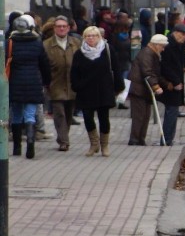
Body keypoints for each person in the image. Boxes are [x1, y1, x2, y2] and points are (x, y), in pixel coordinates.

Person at [70, 26, 124, 157]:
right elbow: (74, 73)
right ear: (84, 38)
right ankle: (94, 144)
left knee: (103, 118)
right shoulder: (79, 53)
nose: (91, 38)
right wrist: (76, 86)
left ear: (99, 37)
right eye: (88, 36)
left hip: (104, 89)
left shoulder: (107, 50)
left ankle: (104, 145)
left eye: (94, 36)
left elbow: (116, 69)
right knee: (88, 117)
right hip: (86, 90)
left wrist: (118, 87)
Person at [7, 14, 51, 159]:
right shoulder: (37, 42)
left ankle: (17, 147)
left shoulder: (10, 42)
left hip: (14, 83)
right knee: (30, 114)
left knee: (17, 114)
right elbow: (44, 64)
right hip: (33, 82)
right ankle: (31, 144)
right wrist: (46, 81)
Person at [44, 15, 82, 151]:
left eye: (64, 26)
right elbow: (43, 65)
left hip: (72, 85)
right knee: (59, 113)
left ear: (68, 28)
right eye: (58, 26)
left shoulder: (75, 43)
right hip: (55, 84)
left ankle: (63, 137)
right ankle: (64, 141)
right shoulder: (47, 44)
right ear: (54, 28)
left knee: (69, 113)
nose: (61, 29)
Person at [127, 34, 168, 146]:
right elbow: (147, 71)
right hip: (139, 89)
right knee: (139, 116)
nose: (163, 49)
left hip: (143, 89)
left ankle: (140, 139)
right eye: (162, 46)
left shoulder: (150, 53)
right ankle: (135, 139)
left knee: (145, 116)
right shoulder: (147, 54)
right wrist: (156, 86)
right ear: (155, 45)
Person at [159, 23, 185, 146]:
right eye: (183, 34)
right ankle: (166, 139)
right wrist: (176, 81)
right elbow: (165, 67)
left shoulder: (180, 45)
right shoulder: (168, 46)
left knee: (173, 110)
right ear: (176, 33)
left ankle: (169, 139)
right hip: (170, 83)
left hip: (177, 81)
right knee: (171, 111)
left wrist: (184, 49)